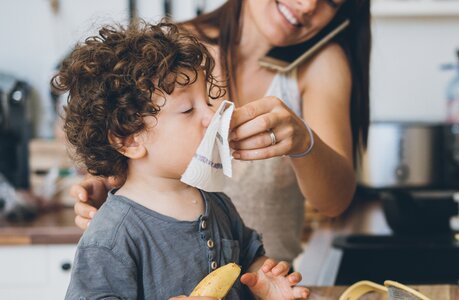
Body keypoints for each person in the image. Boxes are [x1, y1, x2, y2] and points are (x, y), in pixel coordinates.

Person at [71, 0, 372, 263]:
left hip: (262, 282)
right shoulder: (170, 51)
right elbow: (126, 135)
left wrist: (304, 142)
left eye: (333, 0)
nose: (308, 4)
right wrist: (106, 177)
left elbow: (334, 201)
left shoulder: (321, 63)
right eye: (189, 109)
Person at [54, 22, 309, 299]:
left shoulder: (217, 203)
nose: (211, 117)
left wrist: (265, 282)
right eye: (188, 109)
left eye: (209, 102)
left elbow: (249, 256)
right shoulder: (112, 235)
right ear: (129, 139)